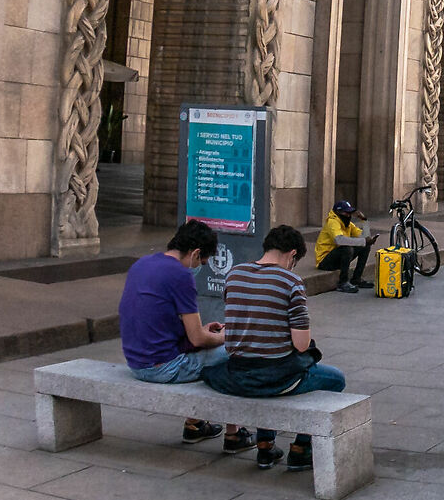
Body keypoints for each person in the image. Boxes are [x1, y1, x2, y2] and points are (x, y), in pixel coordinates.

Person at [202, 225, 344, 471]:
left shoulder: (234, 274)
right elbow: (300, 345)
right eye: (295, 261)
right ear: (291, 255)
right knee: (334, 379)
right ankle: (301, 448)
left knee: (265, 362)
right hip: (276, 378)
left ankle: (266, 445)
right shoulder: (291, 282)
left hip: (236, 375)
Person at [118, 219, 239, 448]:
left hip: (135, 361)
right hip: (162, 368)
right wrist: (227, 337)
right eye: (202, 260)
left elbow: (157, 321)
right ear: (195, 254)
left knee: (213, 350)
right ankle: (236, 433)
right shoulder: (181, 276)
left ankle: (195, 423)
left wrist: (202, 333)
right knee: (237, 350)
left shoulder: (142, 264)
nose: (200, 266)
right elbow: (198, 339)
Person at [315, 199, 370, 291]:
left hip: (339, 259)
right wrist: (363, 241)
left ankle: (356, 279)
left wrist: (364, 220)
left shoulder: (348, 224)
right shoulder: (332, 222)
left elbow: (365, 236)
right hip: (325, 261)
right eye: (346, 213)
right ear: (338, 212)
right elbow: (339, 240)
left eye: (350, 213)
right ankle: (343, 282)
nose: (348, 215)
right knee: (347, 248)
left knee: (365, 247)